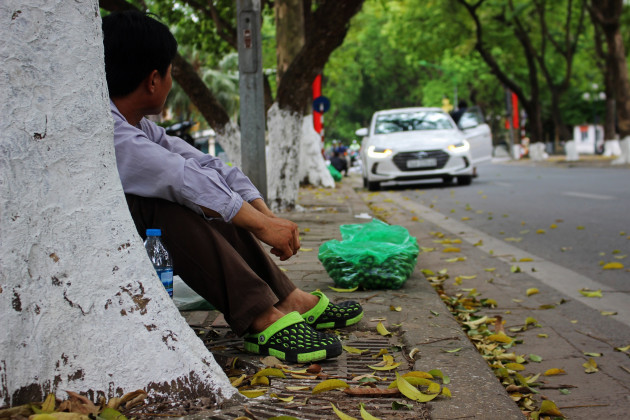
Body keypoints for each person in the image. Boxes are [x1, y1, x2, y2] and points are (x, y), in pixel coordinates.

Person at [101, 11, 363, 363]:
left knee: (213, 197)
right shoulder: (113, 134)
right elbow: (183, 179)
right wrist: (262, 226)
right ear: (153, 80)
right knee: (170, 206)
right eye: (170, 74)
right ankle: (259, 316)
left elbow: (208, 166)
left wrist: (266, 215)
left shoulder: (140, 127)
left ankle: (287, 299)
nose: (170, 82)